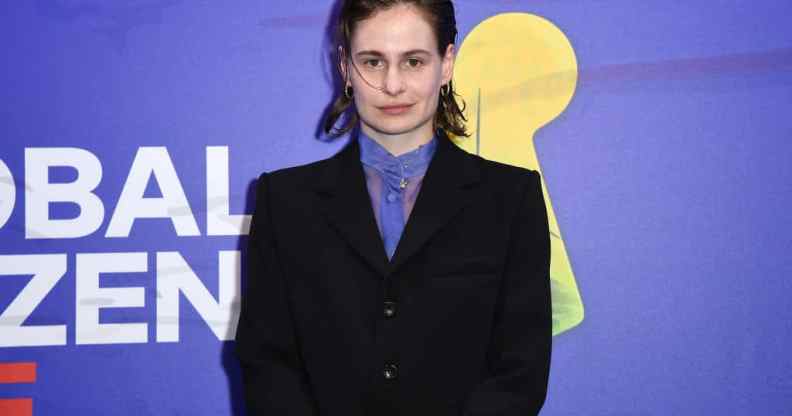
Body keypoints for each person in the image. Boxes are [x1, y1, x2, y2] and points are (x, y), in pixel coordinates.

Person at [234, 1, 552, 415]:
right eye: (373, 61)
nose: (393, 85)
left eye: (414, 61)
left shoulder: (510, 198)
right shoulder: (285, 201)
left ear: (447, 63)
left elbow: (519, 371)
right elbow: (268, 364)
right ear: (346, 66)